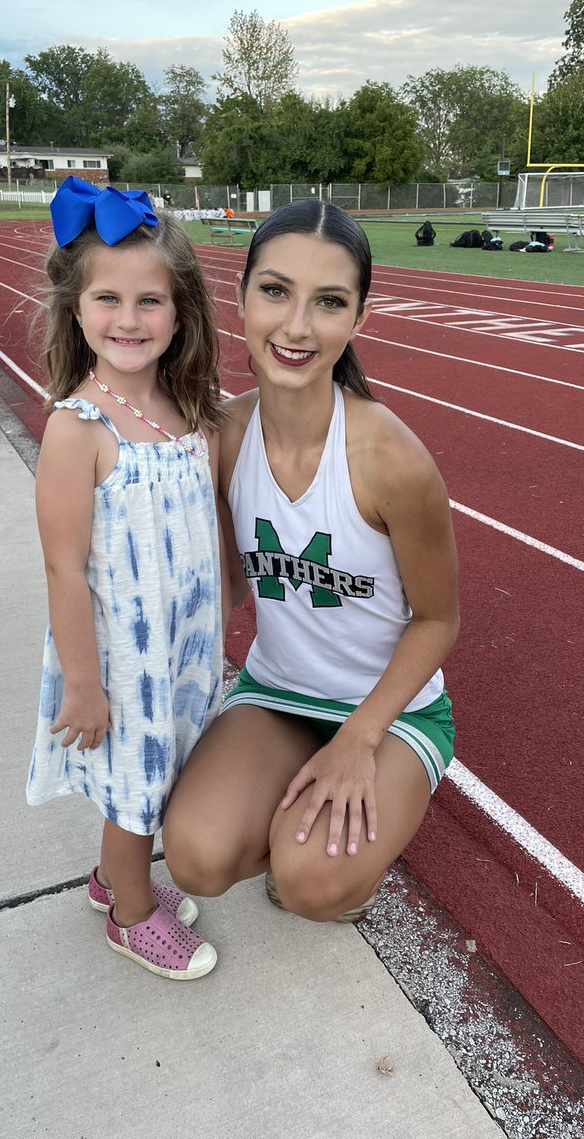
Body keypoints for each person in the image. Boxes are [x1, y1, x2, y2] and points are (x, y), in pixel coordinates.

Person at [163, 199, 459, 923]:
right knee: (196, 859)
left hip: (389, 714)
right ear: (240, 297)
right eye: (275, 291)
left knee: (311, 888)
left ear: (358, 318)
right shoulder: (224, 436)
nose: (296, 327)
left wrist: (359, 740)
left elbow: (438, 619)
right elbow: (228, 586)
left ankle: (341, 841)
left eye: (328, 302)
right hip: (281, 693)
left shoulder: (390, 458)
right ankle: (291, 804)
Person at [26, 175, 224, 979]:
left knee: (166, 766)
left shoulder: (184, 408)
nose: (130, 320)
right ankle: (132, 915)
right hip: (119, 657)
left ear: (180, 314)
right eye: (108, 299)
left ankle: (115, 880)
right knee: (135, 786)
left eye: (150, 301)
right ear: (77, 310)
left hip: (180, 642)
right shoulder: (80, 428)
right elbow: (63, 568)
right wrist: (83, 683)